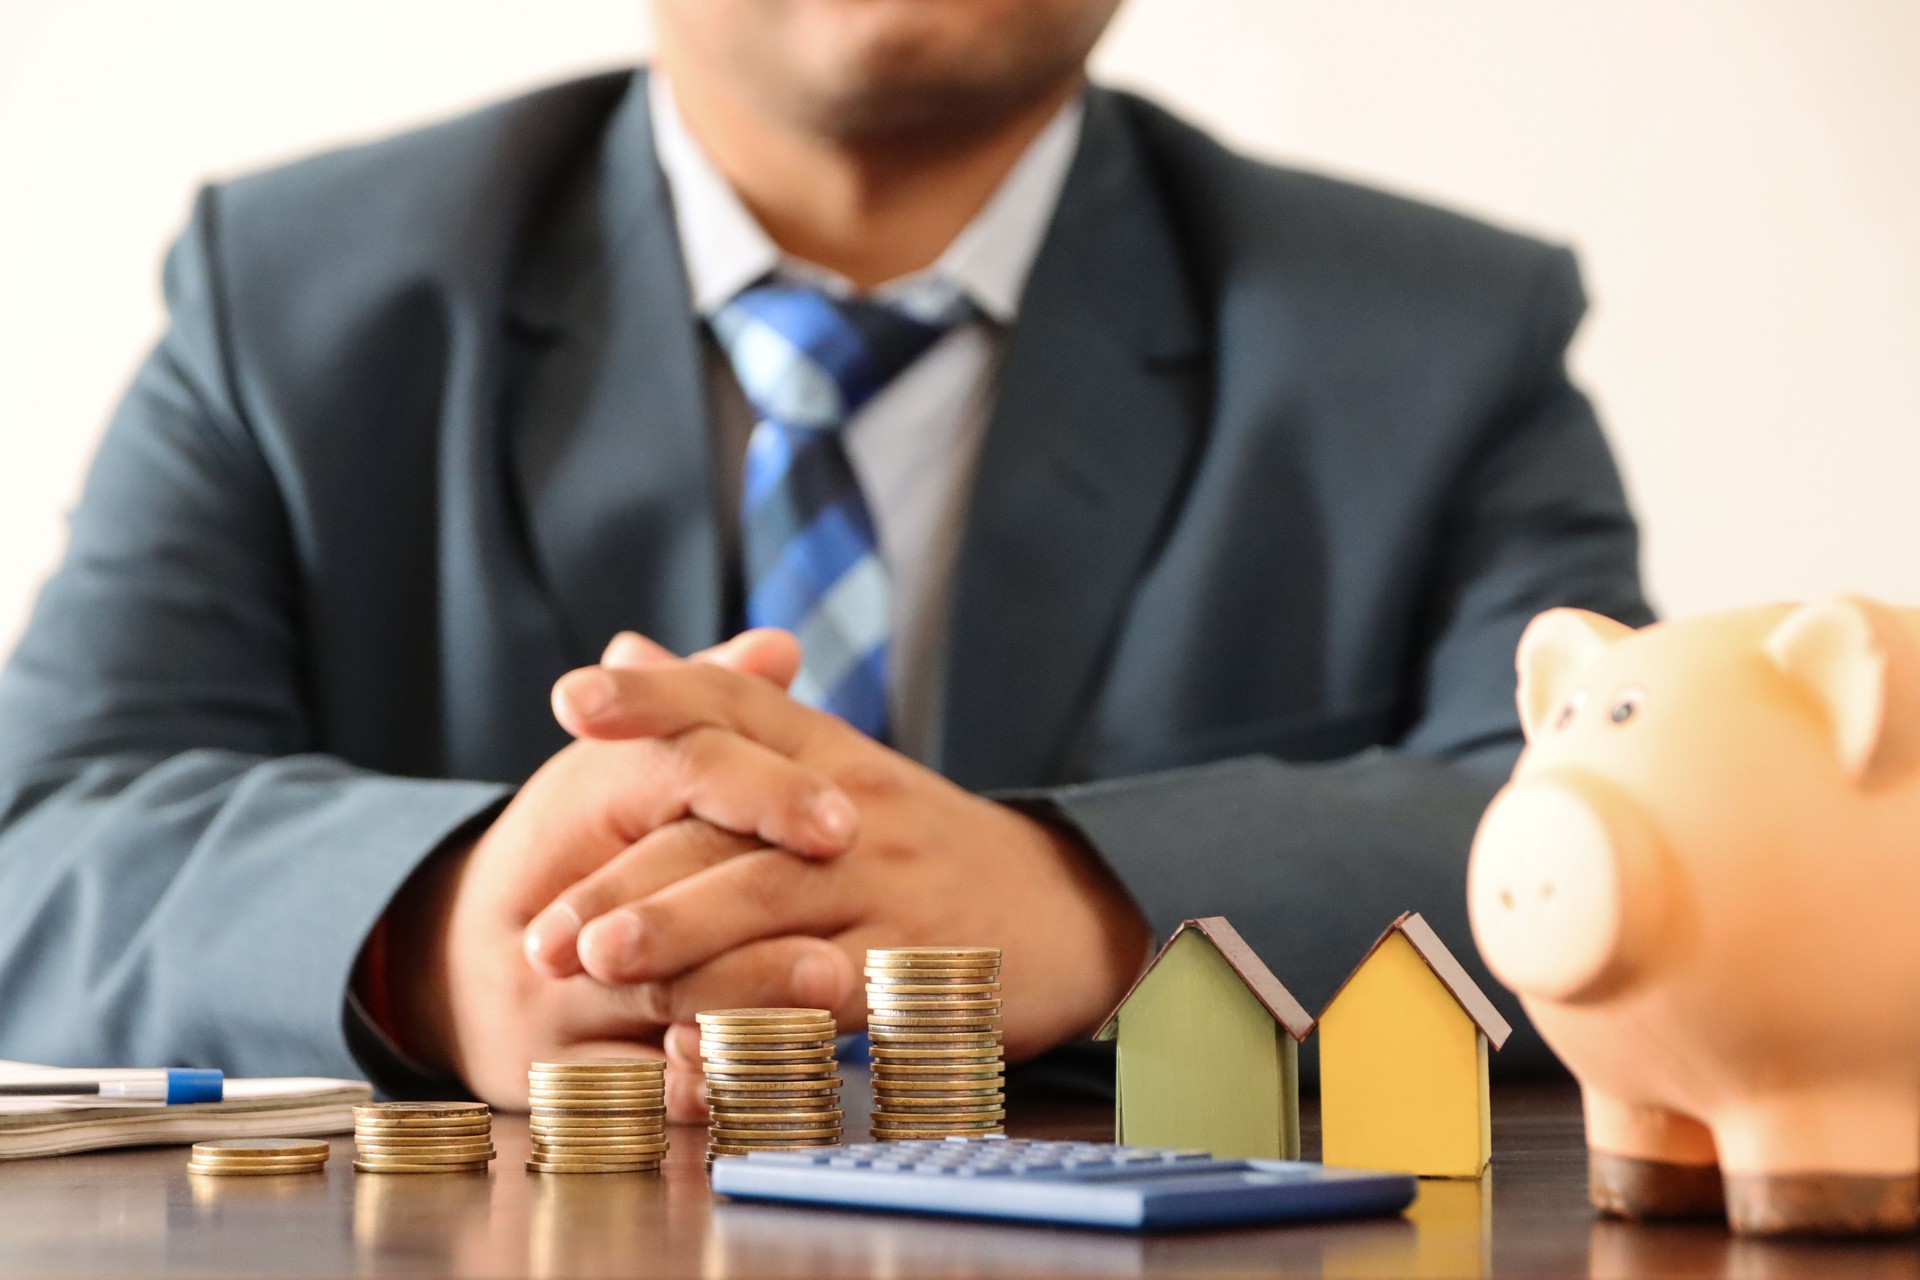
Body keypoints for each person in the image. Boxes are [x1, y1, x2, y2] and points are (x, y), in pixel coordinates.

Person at [0, 0, 1649, 1118]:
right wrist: (435, 941)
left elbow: (1628, 844)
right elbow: (39, 849)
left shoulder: (1436, 339)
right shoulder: (287, 300)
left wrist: (1088, 903)